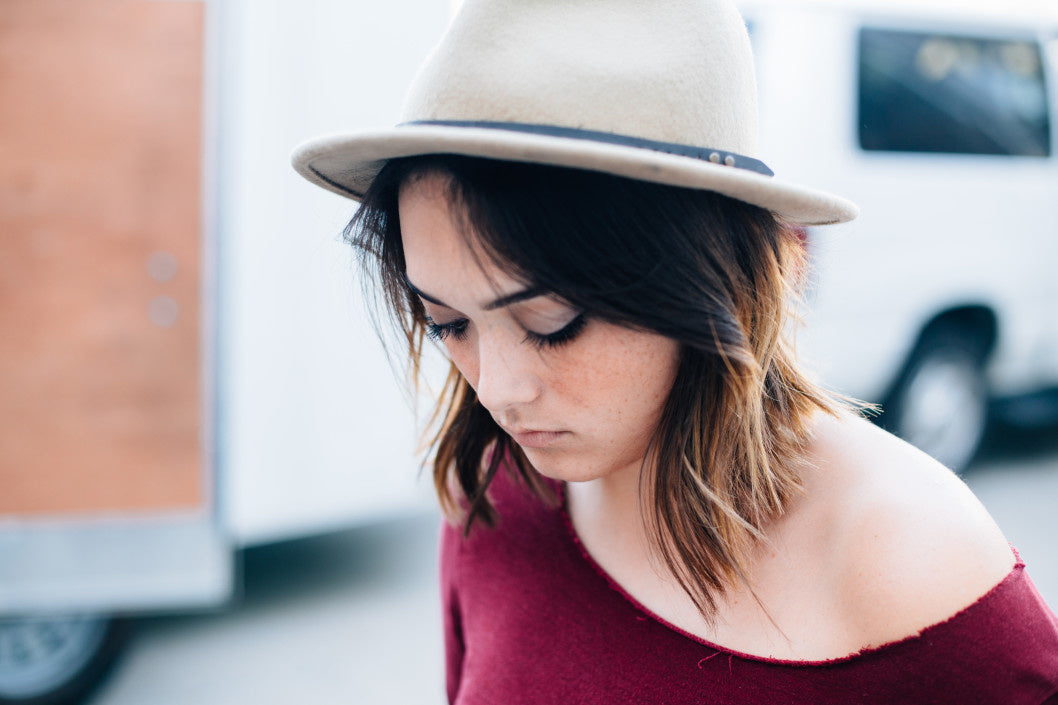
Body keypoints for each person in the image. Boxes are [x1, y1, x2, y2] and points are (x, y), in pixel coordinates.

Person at [292, 0, 1058, 702]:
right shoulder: (495, 493)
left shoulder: (907, 558)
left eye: (553, 322)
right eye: (447, 323)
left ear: (710, 277)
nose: (497, 389)